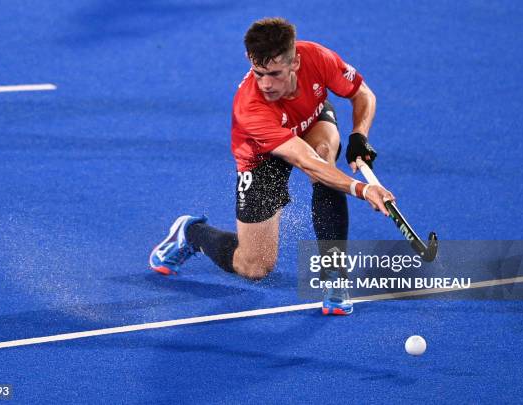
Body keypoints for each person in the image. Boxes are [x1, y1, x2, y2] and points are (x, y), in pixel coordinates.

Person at [149, 17, 395, 315]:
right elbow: (307, 163)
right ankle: (191, 233)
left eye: (275, 73)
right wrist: (363, 188)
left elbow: (362, 94)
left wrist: (359, 136)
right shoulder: (250, 107)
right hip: (260, 156)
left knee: (324, 150)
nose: (265, 83)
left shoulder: (318, 57)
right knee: (254, 266)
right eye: (258, 73)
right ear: (249, 60)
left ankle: (334, 273)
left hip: (309, 119)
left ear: (295, 62)